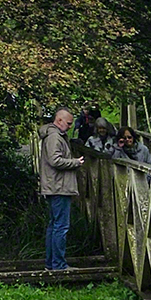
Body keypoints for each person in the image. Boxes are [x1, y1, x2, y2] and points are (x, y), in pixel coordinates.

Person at [37, 107, 85, 271]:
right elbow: (55, 160)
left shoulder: (53, 136)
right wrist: (75, 162)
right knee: (60, 227)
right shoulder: (55, 137)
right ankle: (58, 265)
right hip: (58, 187)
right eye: (69, 123)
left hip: (54, 186)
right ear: (59, 121)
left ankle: (52, 264)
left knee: (54, 226)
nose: (71, 126)